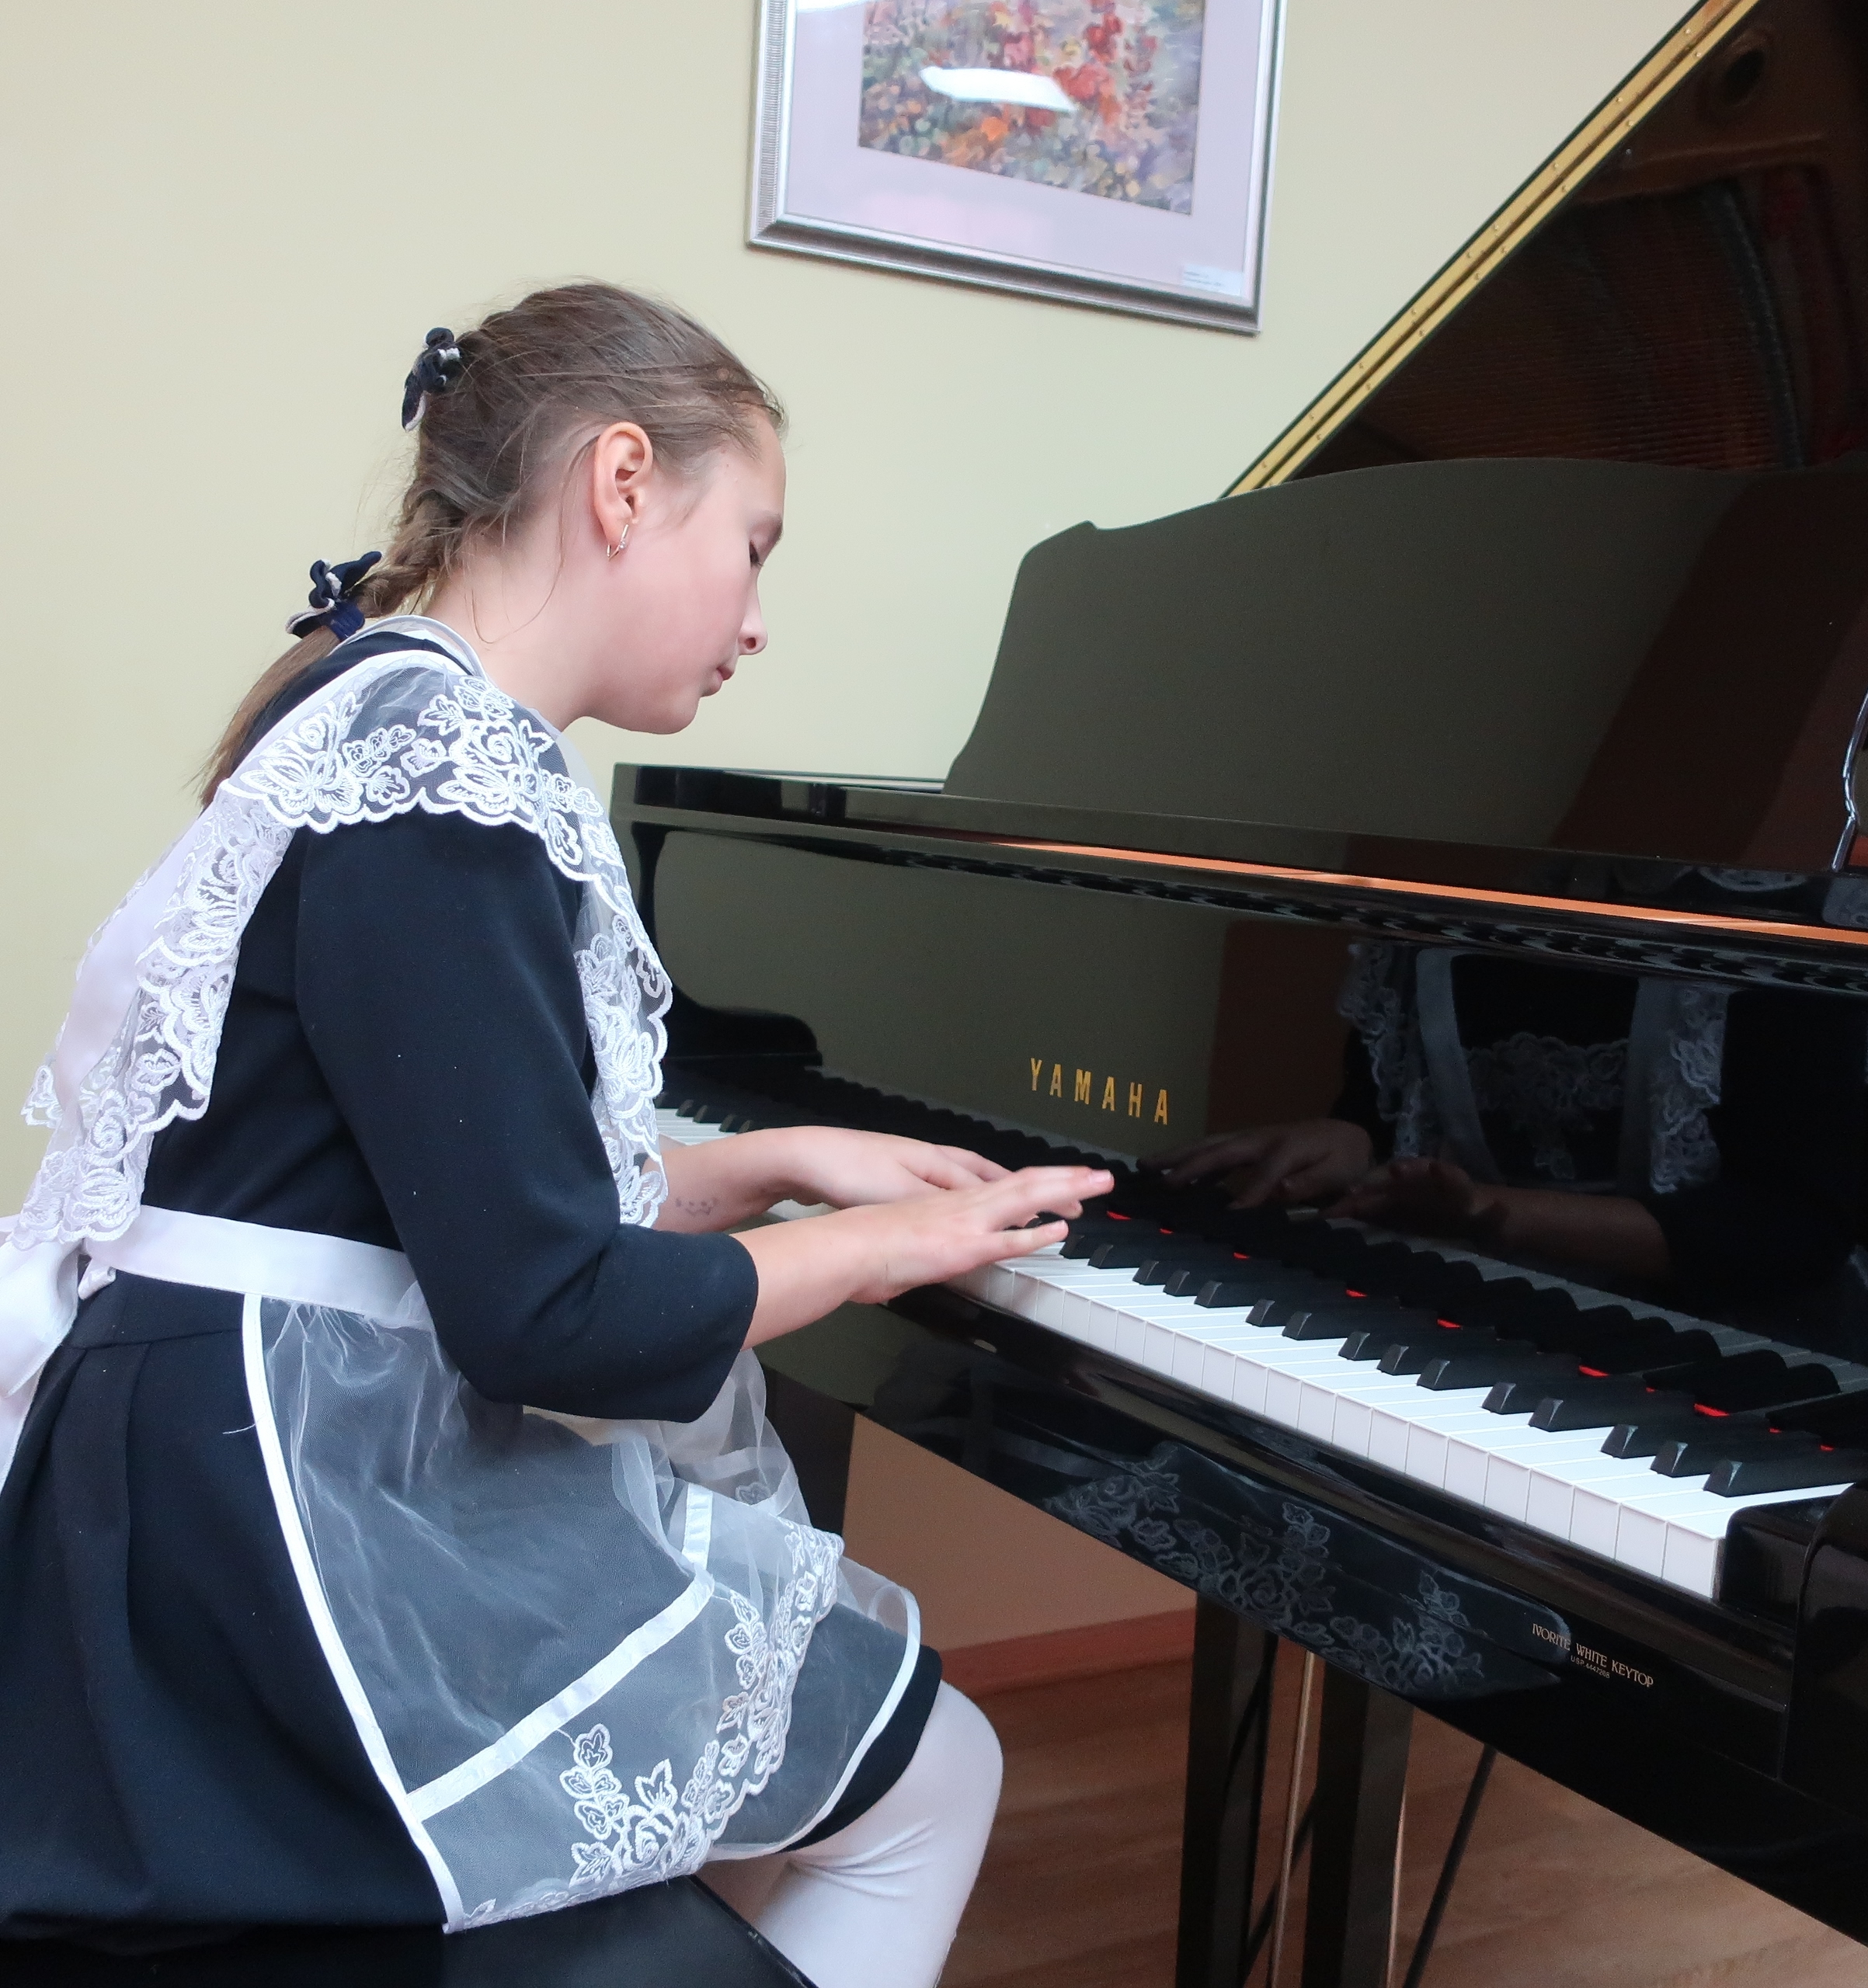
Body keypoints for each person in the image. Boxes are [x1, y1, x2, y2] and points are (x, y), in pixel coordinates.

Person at [0, 283, 1111, 1982]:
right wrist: (878, 1244)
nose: (757, 620)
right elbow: (541, 1308)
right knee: (935, 1767)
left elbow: (437, 1193)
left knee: (787, 1756)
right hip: (272, 1520)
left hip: (190, 1455)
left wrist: (772, 1161)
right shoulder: (445, 780)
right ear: (621, 481)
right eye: (753, 546)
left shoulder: (379, 716)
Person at [1153, 940, 1868, 1371]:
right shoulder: (1445, 902)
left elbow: (1790, 1227)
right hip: (1486, 1311)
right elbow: (1386, 1109)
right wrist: (1348, 1141)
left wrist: (1493, 1213)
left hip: (1721, 1347)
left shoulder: (1773, 929)